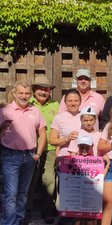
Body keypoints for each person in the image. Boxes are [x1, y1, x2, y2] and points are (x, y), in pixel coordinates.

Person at [0, 81, 47, 225]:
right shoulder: (4, 110)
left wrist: (38, 154)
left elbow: (42, 133)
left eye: (27, 93)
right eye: (20, 92)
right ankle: (8, 222)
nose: (24, 96)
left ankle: (19, 220)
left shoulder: (35, 110)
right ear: (14, 93)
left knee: (23, 194)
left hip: (30, 156)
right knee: (10, 194)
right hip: (10, 156)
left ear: (31, 94)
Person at [26, 75, 59, 224]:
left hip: (50, 149)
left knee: (49, 182)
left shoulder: (55, 105)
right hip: (32, 148)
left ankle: (47, 212)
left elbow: (60, 127)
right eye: (39, 89)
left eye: (46, 89)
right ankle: (26, 212)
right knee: (29, 182)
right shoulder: (28, 104)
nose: (43, 92)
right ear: (33, 91)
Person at [70, 134, 111, 225]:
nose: (84, 149)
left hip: (91, 195)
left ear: (92, 146)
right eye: (81, 147)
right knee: (77, 221)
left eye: (87, 147)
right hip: (77, 196)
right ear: (78, 147)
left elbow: (100, 178)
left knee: (91, 221)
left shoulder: (96, 160)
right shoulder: (73, 161)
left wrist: (107, 165)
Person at [49, 89, 82, 157]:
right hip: (65, 156)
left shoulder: (85, 117)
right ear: (65, 102)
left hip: (83, 157)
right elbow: (52, 141)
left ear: (80, 102)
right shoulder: (59, 118)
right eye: (70, 101)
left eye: (76, 101)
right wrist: (67, 139)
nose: (73, 103)